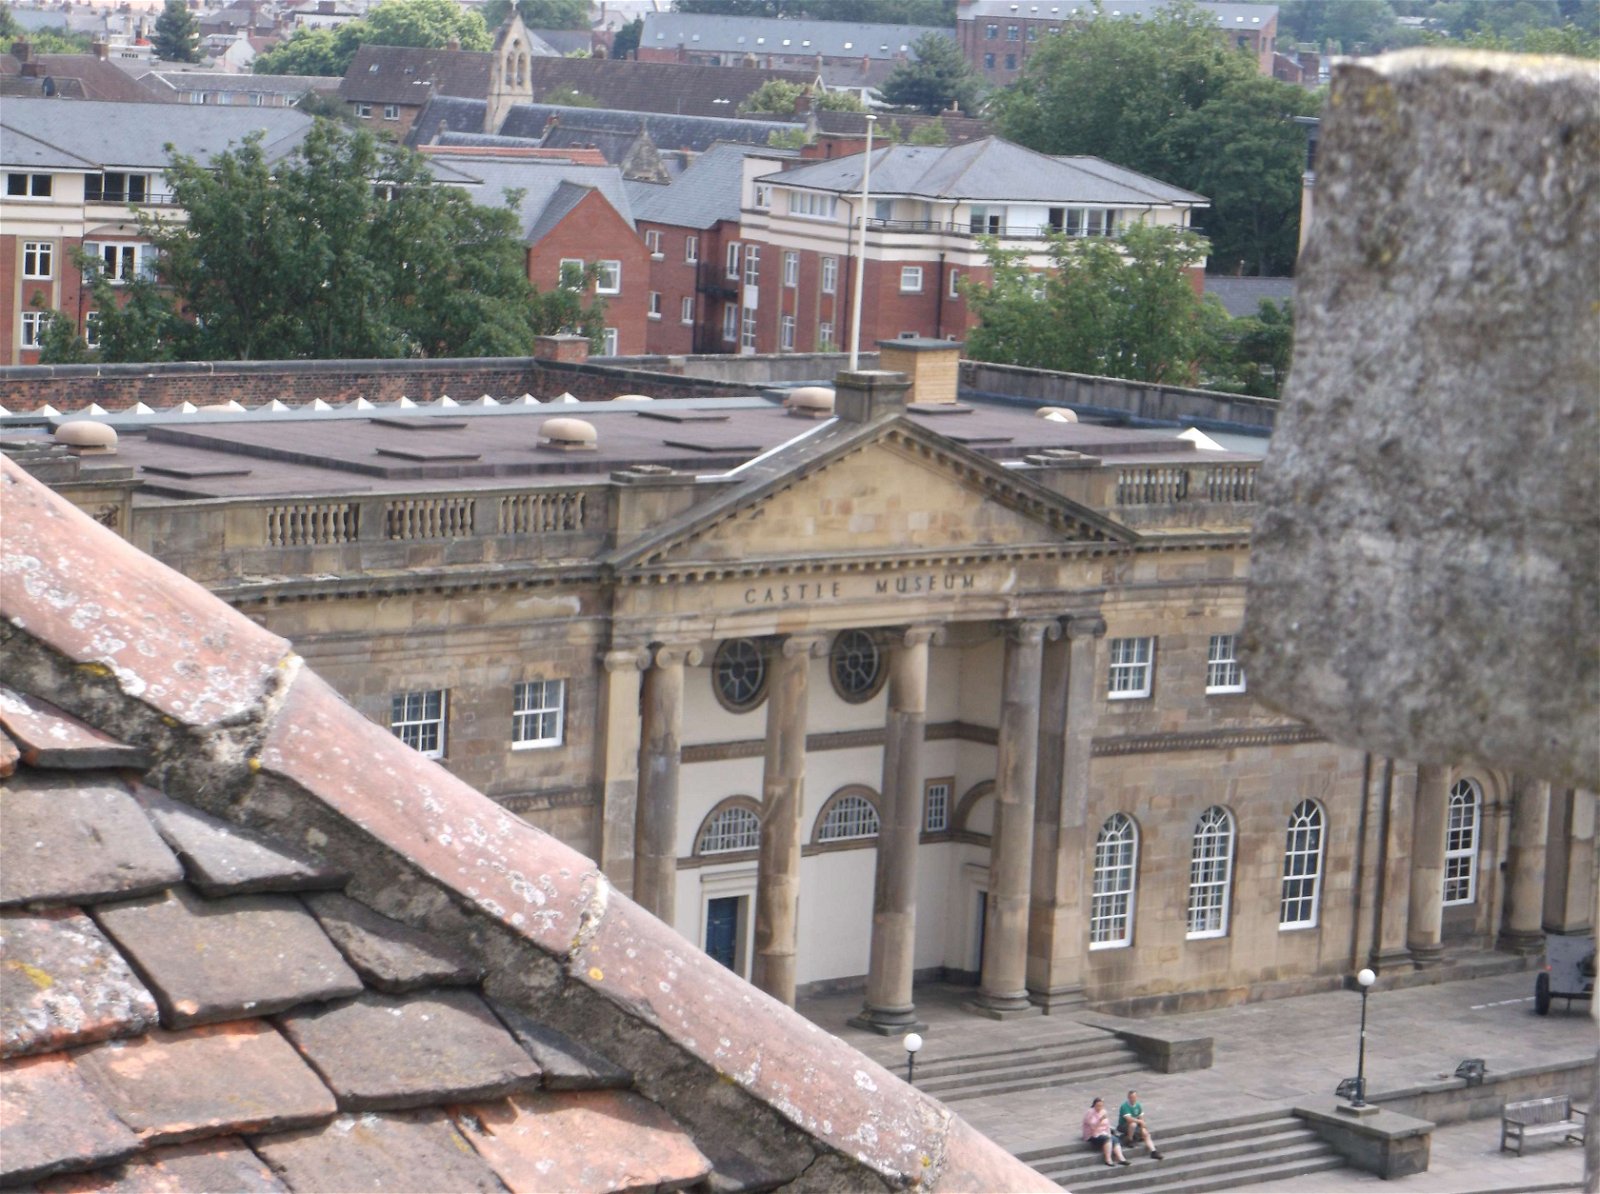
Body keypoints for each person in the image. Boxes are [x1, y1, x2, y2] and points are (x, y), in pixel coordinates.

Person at [1081, 1097, 1130, 1166]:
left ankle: (1121, 1158)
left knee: (1115, 1139)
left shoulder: (1103, 1111)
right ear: (1094, 1105)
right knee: (1107, 1139)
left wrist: (1109, 1133)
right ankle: (1108, 1159)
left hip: (1103, 1132)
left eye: (1101, 1106)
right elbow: (1093, 1127)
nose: (1099, 1107)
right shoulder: (1090, 1113)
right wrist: (1100, 1120)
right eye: (1098, 1106)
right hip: (1093, 1134)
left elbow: (1107, 1124)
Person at [1118, 1089, 1164, 1160]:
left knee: (1146, 1133)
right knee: (1133, 1124)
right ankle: (1130, 1140)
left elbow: (1141, 1117)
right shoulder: (1124, 1106)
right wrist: (1140, 1122)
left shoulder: (1138, 1105)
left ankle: (1153, 1151)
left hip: (1136, 1124)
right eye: (1131, 1097)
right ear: (1128, 1097)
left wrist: (1142, 1127)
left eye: (1134, 1097)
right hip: (1124, 1125)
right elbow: (1129, 1119)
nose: (1133, 1099)